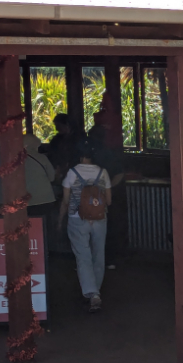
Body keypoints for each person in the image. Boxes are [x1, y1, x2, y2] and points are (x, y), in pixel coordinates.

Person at [59, 142, 112, 313]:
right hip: (100, 218)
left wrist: (60, 219)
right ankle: (96, 290)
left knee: (83, 257)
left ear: (80, 157)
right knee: (98, 254)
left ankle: (92, 293)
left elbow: (66, 201)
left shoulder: (71, 173)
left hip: (77, 219)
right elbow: (109, 201)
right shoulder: (103, 173)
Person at [87, 125, 126, 269]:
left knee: (101, 228)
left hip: (102, 195)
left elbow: (119, 174)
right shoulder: (105, 152)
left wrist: (106, 189)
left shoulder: (100, 154)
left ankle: (106, 259)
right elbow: (119, 174)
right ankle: (107, 260)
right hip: (105, 194)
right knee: (106, 228)